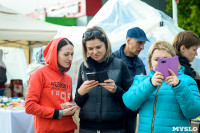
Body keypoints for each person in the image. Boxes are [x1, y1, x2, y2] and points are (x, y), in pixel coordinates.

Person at [123, 41, 200, 133]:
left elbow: (193, 113)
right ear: (150, 61)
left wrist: (179, 86)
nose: (161, 63)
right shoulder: (141, 80)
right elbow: (129, 103)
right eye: (156, 59)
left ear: (174, 60)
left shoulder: (187, 81)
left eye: (165, 59)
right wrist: (149, 84)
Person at [74, 26, 132, 133]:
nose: (95, 52)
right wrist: (80, 93)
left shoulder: (120, 65)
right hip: (87, 129)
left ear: (106, 44)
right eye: (90, 49)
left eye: (98, 47)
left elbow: (131, 100)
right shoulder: (83, 67)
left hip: (114, 128)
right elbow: (78, 102)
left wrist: (116, 90)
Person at [25, 38, 78, 133]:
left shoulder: (68, 78)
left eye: (72, 54)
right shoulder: (39, 74)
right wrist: (58, 113)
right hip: (47, 130)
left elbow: (66, 101)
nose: (70, 58)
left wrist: (71, 106)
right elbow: (30, 106)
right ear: (54, 54)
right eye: (66, 54)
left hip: (68, 129)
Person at [113, 27, 149, 133]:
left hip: (132, 115)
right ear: (128, 41)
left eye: (144, 43)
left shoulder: (140, 64)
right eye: (139, 43)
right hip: (114, 116)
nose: (142, 47)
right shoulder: (112, 59)